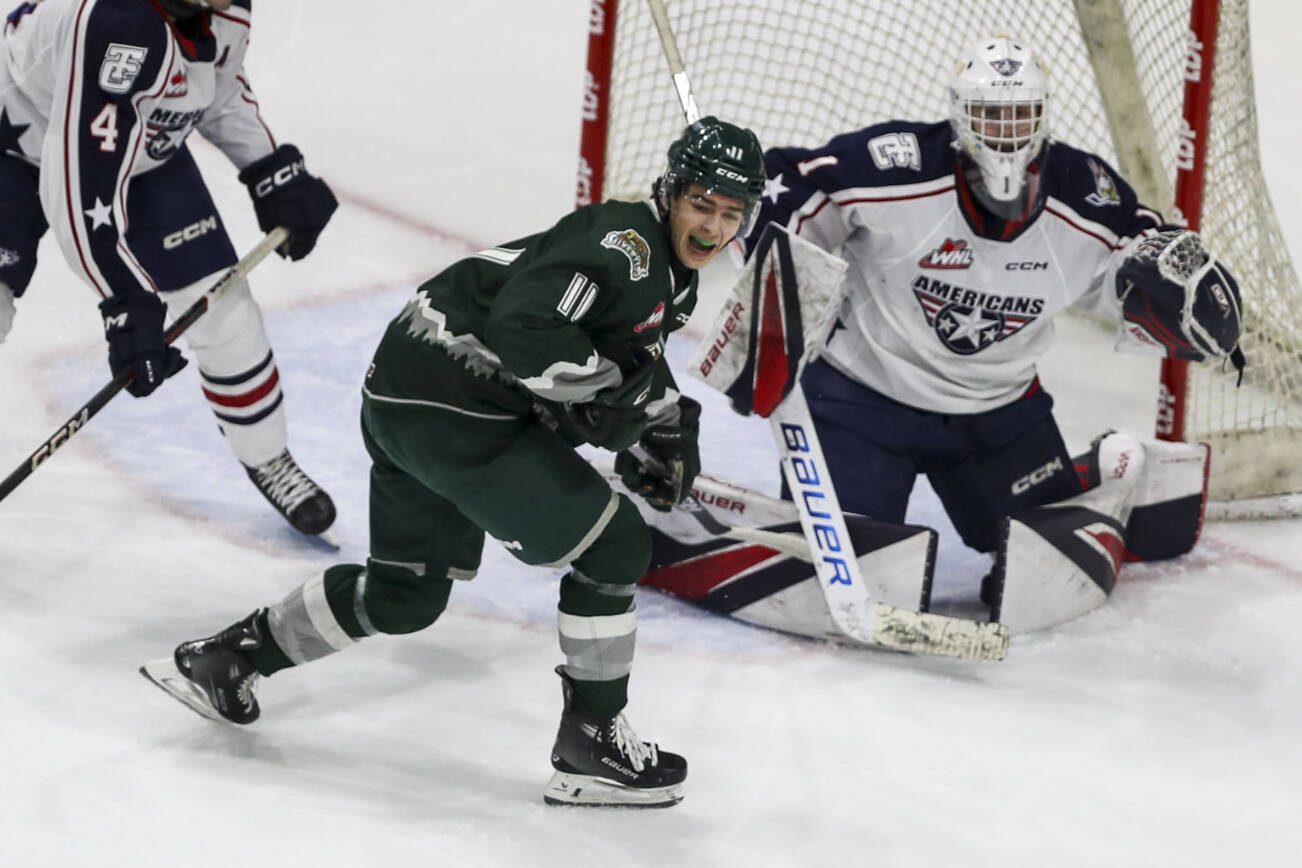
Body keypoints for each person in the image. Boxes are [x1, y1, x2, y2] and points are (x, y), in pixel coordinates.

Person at [140, 116, 767, 808]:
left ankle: (232, 656)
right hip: (456, 406)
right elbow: (527, 330)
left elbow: (611, 358)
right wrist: (620, 410)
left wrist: (659, 418)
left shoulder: (666, 272)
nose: (711, 227)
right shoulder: (626, 248)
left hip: (404, 399)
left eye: (730, 213)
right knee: (614, 545)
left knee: (404, 597)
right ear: (671, 192)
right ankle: (593, 739)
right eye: (700, 205)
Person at [743, 34, 1242, 604]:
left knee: (1046, 570)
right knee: (856, 571)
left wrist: (1181, 289)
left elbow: (1140, 252)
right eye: (989, 113)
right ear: (959, 114)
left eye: (1020, 113)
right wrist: (772, 262)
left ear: (1044, 116)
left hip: (995, 412)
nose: (1006, 129)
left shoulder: (1085, 194)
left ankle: (1103, 466)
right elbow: (792, 182)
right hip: (863, 401)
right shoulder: (897, 166)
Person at [0, 0, 338, 536]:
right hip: (16, 144)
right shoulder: (117, 24)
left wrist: (271, 169)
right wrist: (125, 303)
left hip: (141, 156)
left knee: (227, 318)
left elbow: (219, 85)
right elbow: (79, 187)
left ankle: (266, 455)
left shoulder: (222, 10)